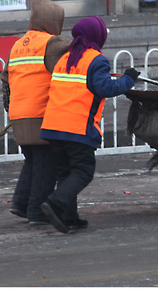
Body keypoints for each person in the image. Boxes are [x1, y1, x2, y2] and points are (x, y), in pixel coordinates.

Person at [40, 16, 139, 233]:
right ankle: (55, 203)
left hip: (54, 126)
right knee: (83, 171)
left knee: (65, 172)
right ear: (97, 36)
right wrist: (128, 79)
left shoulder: (64, 58)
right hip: (76, 128)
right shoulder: (96, 60)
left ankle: (68, 217)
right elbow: (105, 88)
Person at [1, 0, 71, 225]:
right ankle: (35, 212)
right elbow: (74, 50)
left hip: (19, 113)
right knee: (46, 164)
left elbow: (6, 79)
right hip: (40, 114)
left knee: (32, 160)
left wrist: (11, 109)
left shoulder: (18, 45)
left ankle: (20, 203)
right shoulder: (52, 43)